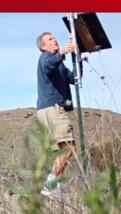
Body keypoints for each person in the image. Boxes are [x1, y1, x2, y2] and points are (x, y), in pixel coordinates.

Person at [35, 32, 80, 197]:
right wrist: (62, 53)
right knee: (70, 147)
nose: (55, 40)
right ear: (43, 46)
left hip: (49, 110)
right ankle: (50, 184)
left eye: (54, 38)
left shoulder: (59, 65)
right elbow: (49, 65)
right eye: (50, 39)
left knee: (64, 150)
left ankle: (55, 187)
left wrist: (78, 58)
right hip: (52, 109)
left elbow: (75, 78)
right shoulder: (45, 58)